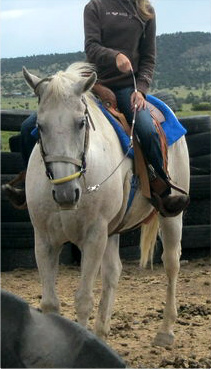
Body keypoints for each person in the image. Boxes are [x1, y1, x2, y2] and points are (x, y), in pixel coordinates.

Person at [83, 0, 189, 216]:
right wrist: (116, 56)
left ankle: (160, 187)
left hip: (126, 87)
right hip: (94, 83)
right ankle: (31, 184)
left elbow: (148, 57)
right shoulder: (95, 6)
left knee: (147, 131)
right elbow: (91, 47)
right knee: (37, 124)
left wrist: (140, 90)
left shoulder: (145, 10)